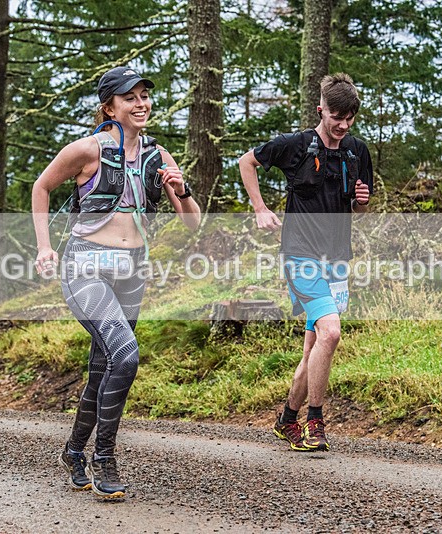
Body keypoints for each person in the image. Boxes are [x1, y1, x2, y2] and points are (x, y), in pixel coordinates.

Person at [32, 66, 201, 499]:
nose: (142, 103)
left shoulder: (159, 156)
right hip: (86, 265)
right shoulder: (86, 150)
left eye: (145, 95)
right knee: (125, 357)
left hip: (133, 269)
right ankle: (103, 456)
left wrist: (179, 189)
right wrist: (44, 247)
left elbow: (192, 224)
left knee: (103, 366)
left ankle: (73, 451)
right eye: (131, 97)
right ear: (110, 107)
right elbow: (41, 187)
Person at [238, 73, 372, 452]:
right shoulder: (295, 145)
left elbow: (361, 209)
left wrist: (361, 200)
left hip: (337, 262)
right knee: (331, 333)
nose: (343, 125)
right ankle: (315, 421)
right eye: (336, 117)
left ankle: (286, 419)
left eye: (350, 118)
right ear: (321, 110)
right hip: (301, 256)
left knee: (314, 346)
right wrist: (260, 209)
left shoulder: (357, 152)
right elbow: (247, 162)